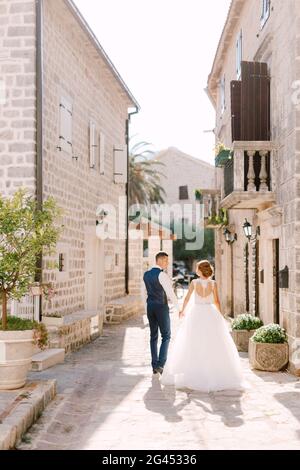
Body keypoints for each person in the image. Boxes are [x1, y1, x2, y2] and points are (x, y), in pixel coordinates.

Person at [160, 260, 244, 392]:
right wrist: (220, 314)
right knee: (214, 342)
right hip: (210, 312)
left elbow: (187, 298)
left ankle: (195, 371)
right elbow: (216, 301)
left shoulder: (194, 283)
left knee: (194, 341)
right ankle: (213, 371)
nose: (196, 270)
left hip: (196, 313)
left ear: (200, 270)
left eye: (197, 268)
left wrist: (182, 310)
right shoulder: (213, 283)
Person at [143, 252, 180, 375]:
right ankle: (160, 364)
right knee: (166, 335)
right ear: (160, 260)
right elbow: (170, 293)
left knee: (153, 336)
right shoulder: (162, 275)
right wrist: (179, 308)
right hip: (161, 307)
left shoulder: (146, 274)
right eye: (166, 261)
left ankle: (154, 365)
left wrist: (146, 308)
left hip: (150, 307)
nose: (167, 263)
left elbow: (143, 294)